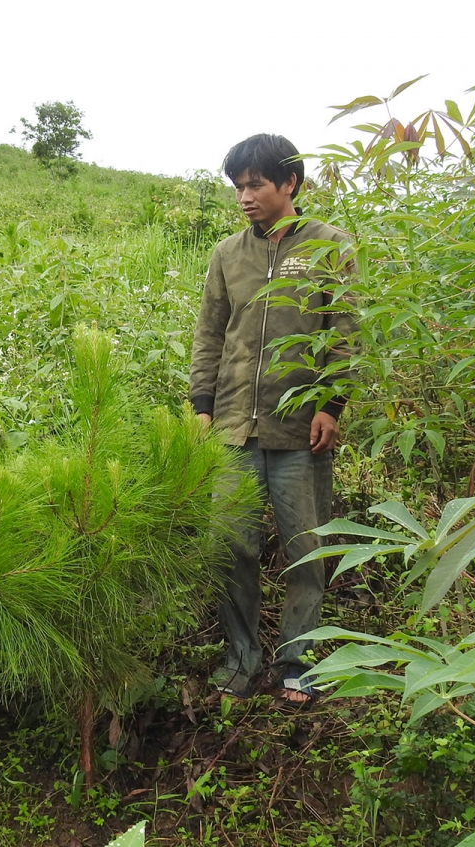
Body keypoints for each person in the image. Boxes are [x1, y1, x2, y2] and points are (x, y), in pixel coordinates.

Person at [189, 134, 358, 705]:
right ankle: (242, 659)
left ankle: (297, 663)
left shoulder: (331, 246)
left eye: (255, 183)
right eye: (238, 186)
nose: (244, 196)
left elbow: (344, 335)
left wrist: (331, 406)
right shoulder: (227, 254)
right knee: (228, 545)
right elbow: (211, 335)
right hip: (235, 426)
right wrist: (201, 406)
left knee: (305, 550)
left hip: (299, 431)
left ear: (290, 183)